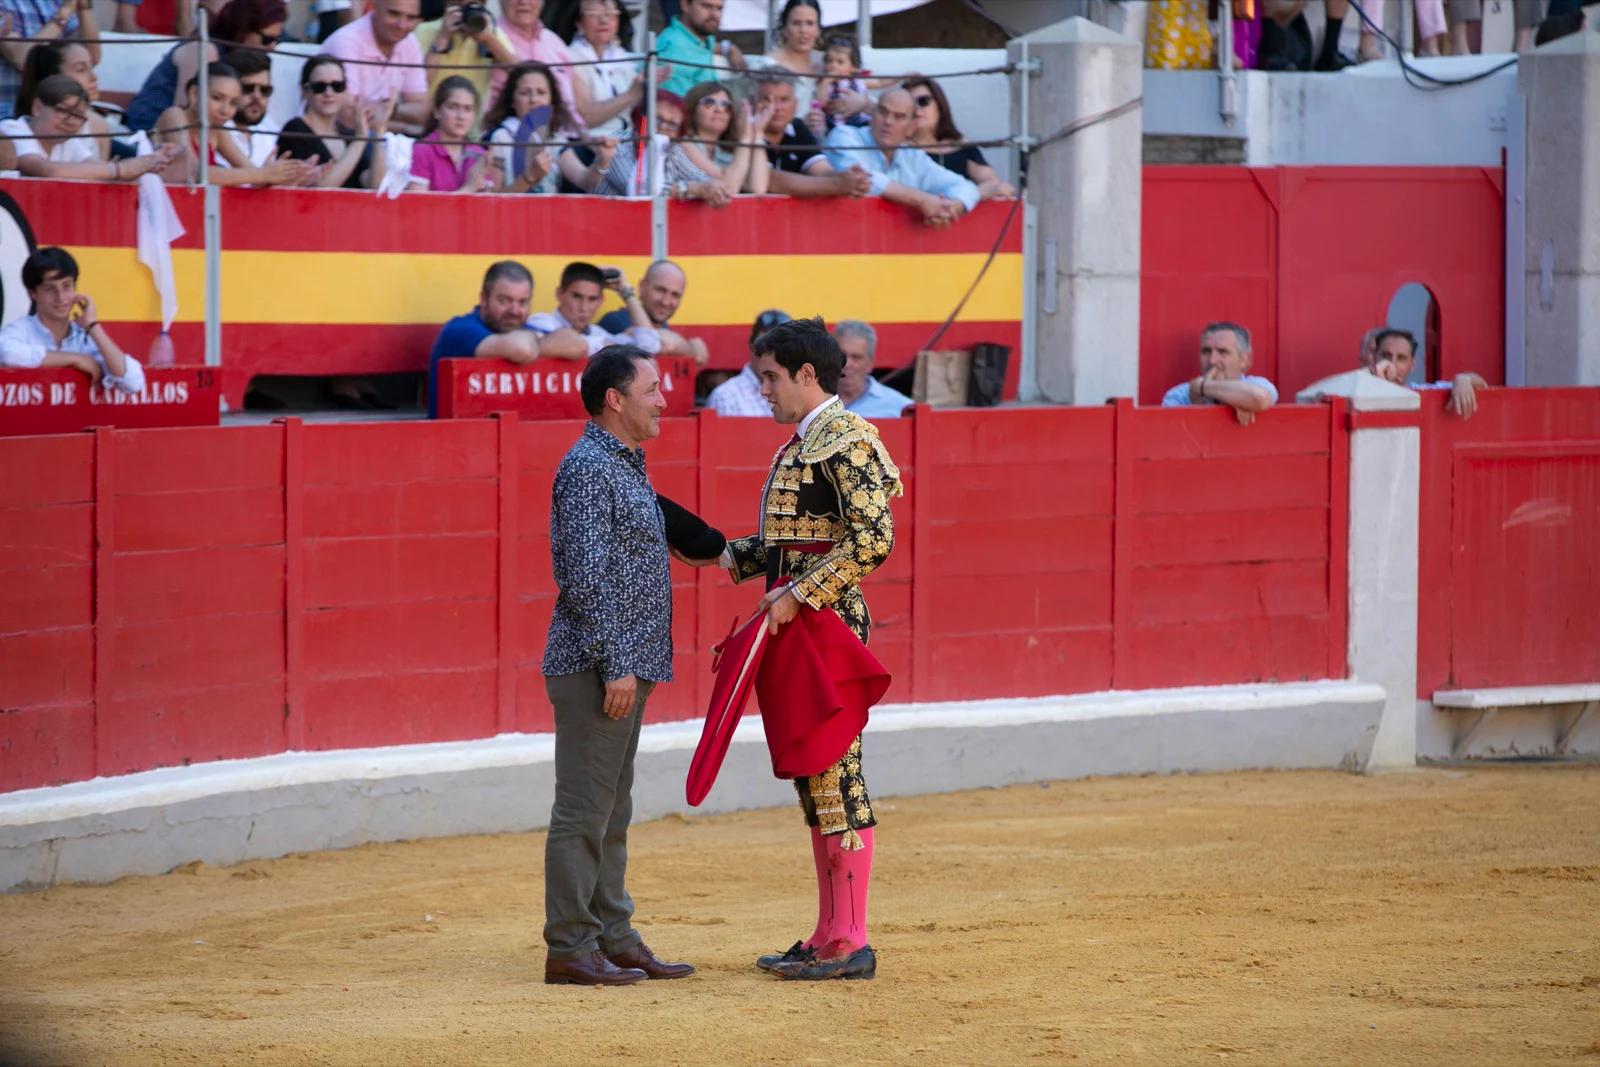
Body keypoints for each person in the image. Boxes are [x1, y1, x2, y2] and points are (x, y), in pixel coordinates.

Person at [690, 315, 901, 981]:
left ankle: (854, 938)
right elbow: (794, 543)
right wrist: (721, 553)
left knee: (838, 776)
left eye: (772, 377)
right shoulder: (803, 442)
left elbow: (873, 538)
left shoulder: (847, 439)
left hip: (827, 625)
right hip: (799, 619)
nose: (764, 390)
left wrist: (798, 594)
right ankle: (829, 931)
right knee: (816, 777)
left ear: (808, 374)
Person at [540, 344, 697, 987]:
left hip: (620, 662)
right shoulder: (587, 468)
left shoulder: (622, 463)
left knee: (613, 807)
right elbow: (583, 577)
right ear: (616, 398)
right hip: (597, 665)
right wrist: (616, 663)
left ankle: (613, 934)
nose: (663, 400)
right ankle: (571, 946)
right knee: (584, 808)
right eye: (653, 389)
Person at [822, 87, 980, 226]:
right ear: (872, 114)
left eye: (899, 117)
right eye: (883, 112)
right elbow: (861, 180)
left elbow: (965, 187)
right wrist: (922, 200)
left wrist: (955, 206)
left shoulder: (913, 156)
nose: (888, 121)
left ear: (911, 128)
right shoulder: (845, 136)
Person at [0, 247, 146, 395]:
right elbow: (7, 354)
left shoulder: (85, 339)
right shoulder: (20, 330)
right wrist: (74, 359)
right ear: (32, 293)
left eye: (67, 286)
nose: (61, 297)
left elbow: (132, 382)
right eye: (49, 289)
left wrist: (93, 326)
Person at [124, 0, 286, 132]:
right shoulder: (204, 50)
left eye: (276, 41)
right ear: (243, 29)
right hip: (147, 134)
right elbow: (186, 113)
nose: (272, 47)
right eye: (267, 40)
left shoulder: (232, 57)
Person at [155, 62, 310, 186]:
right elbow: (193, 172)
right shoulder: (174, 115)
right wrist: (263, 174)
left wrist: (281, 177)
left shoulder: (216, 130)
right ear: (194, 94)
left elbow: (250, 172)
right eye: (216, 98)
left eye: (233, 103)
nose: (225, 110)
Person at [426, 260, 542, 418]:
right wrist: (536, 340)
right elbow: (522, 349)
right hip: (451, 439)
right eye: (504, 301)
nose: (514, 311)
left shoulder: (525, 332)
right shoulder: (459, 329)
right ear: (484, 298)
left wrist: (534, 340)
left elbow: (577, 345)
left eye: (522, 302)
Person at [0, 75, 176, 179]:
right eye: (63, 111)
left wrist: (148, 163)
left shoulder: (67, 140)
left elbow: (98, 168)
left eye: (78, 116)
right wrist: (120, 170)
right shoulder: (13, 129)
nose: (71, 122)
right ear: (37, 108)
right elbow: (47, 170)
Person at [582, 90, 731, 205]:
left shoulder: (671, 149)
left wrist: (712, 188)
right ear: (640, 118)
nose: (663, 128)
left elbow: (700, 178)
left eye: (672, 125)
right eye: (658, 119)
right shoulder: (619, 143)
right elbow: (640, 190)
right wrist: (695, 189)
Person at [275, 54, 393, 190]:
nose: (329, 93)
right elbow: (321, 188)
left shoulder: (349, 135)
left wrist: (380, 129)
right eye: (319, 87)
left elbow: (376, 185)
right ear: (304, 90)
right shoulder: (294, 129)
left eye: (337, 86)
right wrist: (360, 140)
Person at [749, 71, 872, 200]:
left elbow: (821, 170)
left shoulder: (798, 127)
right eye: (768, 99)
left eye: (784, 100)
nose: (778, 107)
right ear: (752, 102)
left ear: (795, 104)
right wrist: (838, 184)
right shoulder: (744, 131)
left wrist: (849, 179)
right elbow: (770, 180)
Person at [322, 0, 429, 133]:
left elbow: (422, 111)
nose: (401, 25)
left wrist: (388, 108)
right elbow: (347, 118)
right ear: (374, 8)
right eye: (394, 14)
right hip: (337, 139)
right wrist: (405, 128)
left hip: (379, 138)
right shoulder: (346, 42)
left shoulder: (409, 42)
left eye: (411, 18)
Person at [903, 76, 1015, 201]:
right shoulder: (898, 150)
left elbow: (993, 184)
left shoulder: (963, 148)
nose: (917, 109)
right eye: (911, 105)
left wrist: (957, 201)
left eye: (923, 101)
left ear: (939, 105)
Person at [484, 61, 588, 195]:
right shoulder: (498, 138)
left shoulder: (555, 140)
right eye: (525, 93)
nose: (534, 100)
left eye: (541, 92)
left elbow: (585, 180)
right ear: (512, 101)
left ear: (551, 100)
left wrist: (603, 161)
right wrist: (529, 177)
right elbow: (492, 200)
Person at [528, 261, 662, 359]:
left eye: (592, 299)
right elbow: (575, 344)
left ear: (600, 301)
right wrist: (608, 347)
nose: (583, 307)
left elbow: (649, 346)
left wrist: (626, 292)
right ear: (559, 293)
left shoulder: (598, 333)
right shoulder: (541, 322)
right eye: (576, 296)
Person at [1160, 321, 1278, 426]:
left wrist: (1201, 387)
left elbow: (1260, 398)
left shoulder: (1257, 384)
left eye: (1223, 352)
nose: (1212, 360)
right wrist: (1237, 400)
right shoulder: (1179, 395)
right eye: (1206, 351)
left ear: (1244, 360)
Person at [0, 0, 98, 121]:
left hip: (56, 113)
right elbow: (24, 60)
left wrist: (83, 9)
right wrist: (63, 15)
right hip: (9, 113)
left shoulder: (55, 2)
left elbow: (91, 56)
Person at [597, 260, 709, 365]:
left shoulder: (663, 325)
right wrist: (691, 347)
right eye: (660, 290)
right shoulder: (616, 321)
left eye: (675, 295)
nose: (666, 301)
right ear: (642, 287)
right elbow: (658, 344)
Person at [15, 40, 111, 160]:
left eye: (91, 68)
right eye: (80, 69)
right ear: (54, 78)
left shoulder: (98, 125)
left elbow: (100, 172)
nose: (93, 77)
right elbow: (45, 169)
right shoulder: (16, 129)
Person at [567, 0, 648, 140]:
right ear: (579, 22)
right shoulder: (570, 58)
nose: (604, 20)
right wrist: (630, 95)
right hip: (593, 144)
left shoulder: (623, 57)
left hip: (628, 140)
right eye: (594, 14)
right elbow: (584, 118)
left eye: (610, 13)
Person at [417, 0, 517, 106]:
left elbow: (518, 72)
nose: (469, 13)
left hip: (472, 119)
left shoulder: (491, 34)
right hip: (429, 116)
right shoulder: (425, 31)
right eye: (464, 7)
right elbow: (418, 84)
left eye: (475, 6)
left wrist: (488, 40)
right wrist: (442, 38)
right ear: (450, 6)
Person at [1369, 327, 1484, 419]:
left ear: (1412, 364)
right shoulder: (1359, 387)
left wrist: (1463, 379)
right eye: (1386, 356)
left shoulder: (1421, 391)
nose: (1392, 364)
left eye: (1401, 358)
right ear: (1374, 358)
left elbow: (1481, 384)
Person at [678, 80, 769, 194]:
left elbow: (758, 188)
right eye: (709, 103)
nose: (720, 110)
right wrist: (745, 137)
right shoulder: (684, 143)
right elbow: (729, 187)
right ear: (693, 109)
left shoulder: (729, 151)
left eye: (726, 106)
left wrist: (758, 135)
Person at [406, 76, 491, 193]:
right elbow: (419, 207)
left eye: (468, 109)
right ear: (436, 111)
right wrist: (469, 188)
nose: (461, 116)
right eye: (453, 107)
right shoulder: (422, 150)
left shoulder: (479, 153)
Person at [489, 0, 577, 108]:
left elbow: (578, 105)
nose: (523, 2)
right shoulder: (486, 37)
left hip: (565, 122)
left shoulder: (554, 42)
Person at [707, 308, 788, 416]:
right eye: (766, 347)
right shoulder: (726, 397)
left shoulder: (796, 395)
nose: (773, 356)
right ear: (752, 346)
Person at [657, 0, 746, 98]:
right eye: (706, 6)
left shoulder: (697, 36)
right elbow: (674, 108)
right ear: (685, 5)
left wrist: (728, 47)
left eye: (719, 8)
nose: (714, 15)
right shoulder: (672, 49)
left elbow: (704, 47)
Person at [808, 33, 893, 135]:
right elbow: (819, 103)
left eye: (840, 62)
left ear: (853, 66)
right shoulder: (826, 84)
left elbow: (880, 82)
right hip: (835, 126)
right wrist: (826, 82)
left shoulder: (858, 80)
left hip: (859, 123)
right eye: (829, 61)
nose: (833, 66)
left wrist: (902, 77)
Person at [834, 320, 910, 418]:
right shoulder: (811, 402)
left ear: (870, 364)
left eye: (856, 357)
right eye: (841, 356)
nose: (847, 364)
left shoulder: (901, 408)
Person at [219, 48, 281, 169]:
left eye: (264, 90)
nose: (257, 96)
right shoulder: (214, 130)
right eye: (248, 88)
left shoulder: (269, 130)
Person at [764, 0, 822, 113]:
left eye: (810, 23)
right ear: (785, 29)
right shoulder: (769, 63)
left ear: (818, 30)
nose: (803, 30)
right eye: (796, 23)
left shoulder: (829, 61)